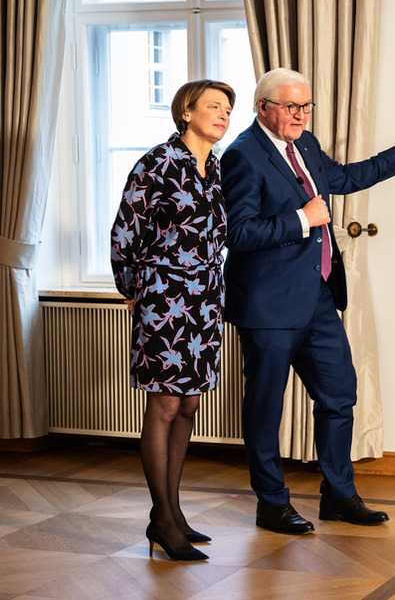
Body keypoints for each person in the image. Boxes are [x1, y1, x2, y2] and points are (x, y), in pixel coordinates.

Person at [221, 67, 395, 534]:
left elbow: (343, 177)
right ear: (264, 108)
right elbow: (238, 232)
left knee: (340, 396)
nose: (300, 115)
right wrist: (301, 218)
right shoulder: (242, 156)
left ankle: (337, 495)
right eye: (291, 107)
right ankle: (271, 504)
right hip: (269, 306)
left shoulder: (306, 146)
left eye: (306, 106)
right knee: (265, 408)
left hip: (317, 297)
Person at [111, 79, 236, 561]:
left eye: (227, 108)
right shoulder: (157, 163)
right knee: (164, 405)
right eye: (213, 106)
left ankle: (174, 512)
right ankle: (161, 519)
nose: (223, 114)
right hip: (164, 298)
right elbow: (126, 232)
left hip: (205, 300)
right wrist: (135, 291)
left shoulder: (215, 168)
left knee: (188, 406)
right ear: (186, 112)